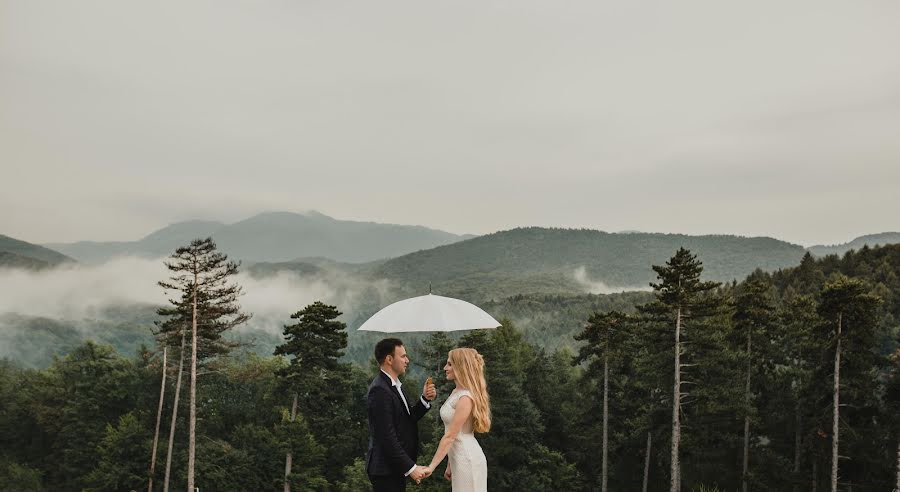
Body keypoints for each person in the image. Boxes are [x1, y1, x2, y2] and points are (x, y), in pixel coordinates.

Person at [366, 338, 437, 491]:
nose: (407, 360)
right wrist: (411, 468)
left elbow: (406, 421)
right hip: (385, 470)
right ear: (389, 359)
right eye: (403, 356)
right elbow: (386, 437)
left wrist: (425, 399)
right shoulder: (379, 390)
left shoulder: (394, 385)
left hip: (394, 468)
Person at [423, 347, 490, 491]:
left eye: (449, 364)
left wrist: (431, 466)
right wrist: (450, 464)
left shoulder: (465, 398)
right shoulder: (456, 392)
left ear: (461, 366)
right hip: (458, 459)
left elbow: (451, 436)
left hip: (467, 458)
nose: (445, 368)